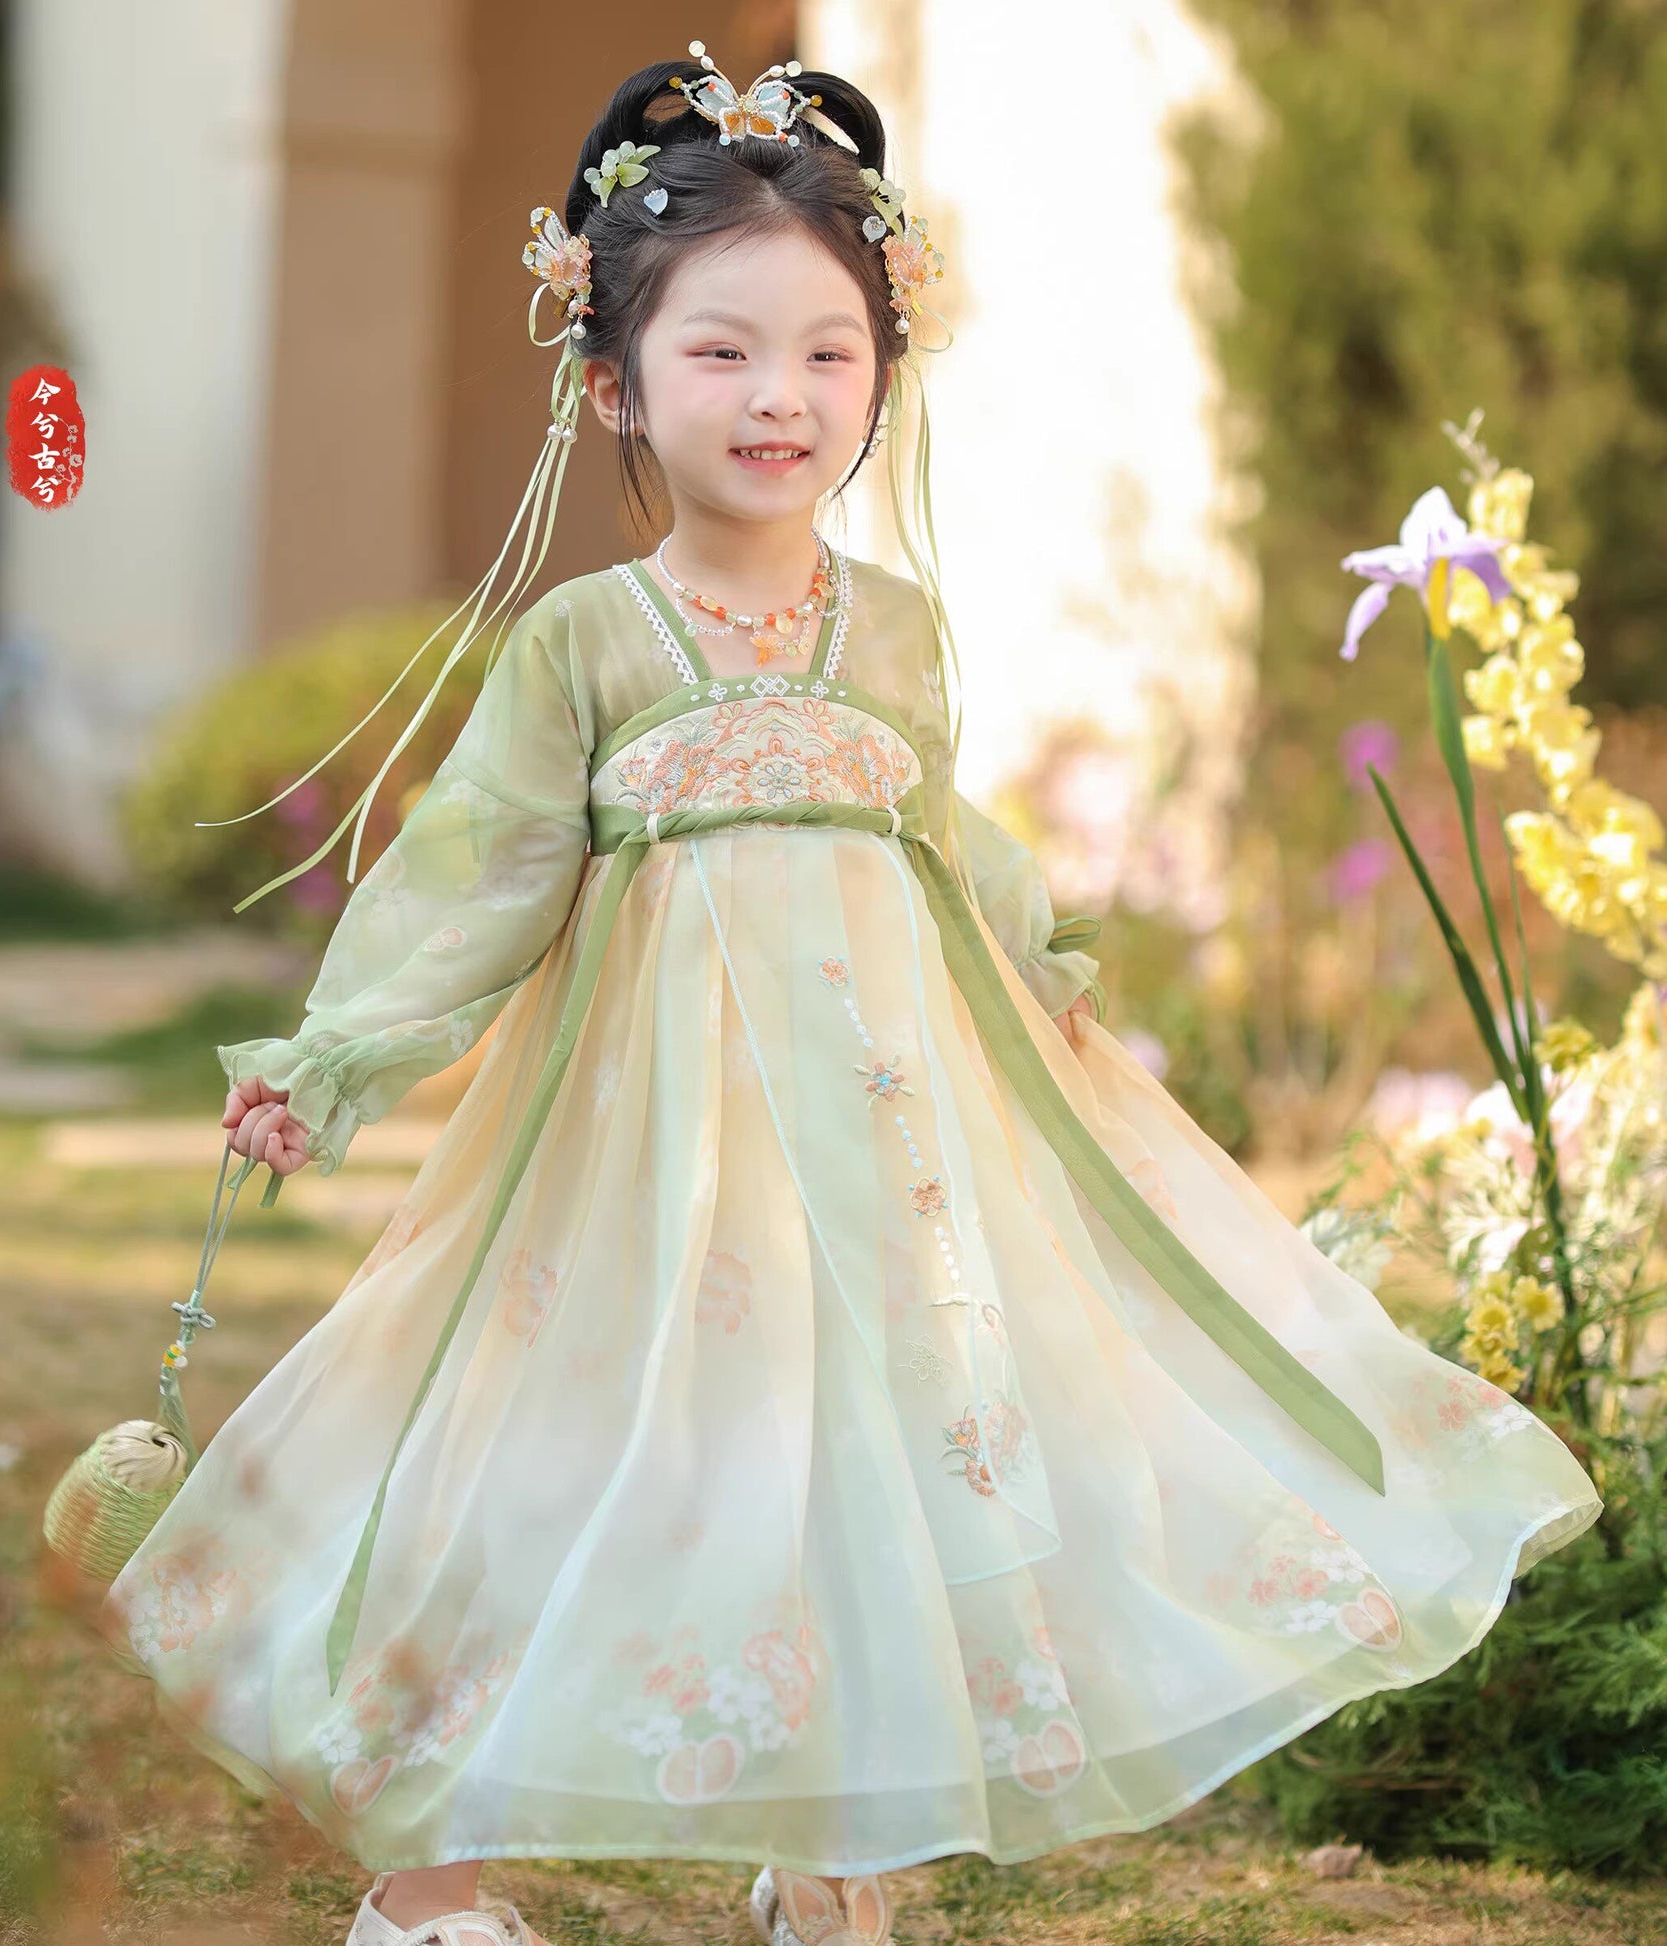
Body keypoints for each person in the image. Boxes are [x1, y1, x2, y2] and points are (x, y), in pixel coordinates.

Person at [98, 44, 1602, 1946]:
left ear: (882, 370)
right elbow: (476, 870)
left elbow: (939, 834)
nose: (778, 395)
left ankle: (837, 1856)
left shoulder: (893, 628)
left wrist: (1042, 979)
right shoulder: (589, 640)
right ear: (610, 377)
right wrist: (335, 1059)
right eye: (718, 351)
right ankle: (432, 1882)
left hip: (881, 1141)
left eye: (825, 348)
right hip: (639, 1151)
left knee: (873, 1466)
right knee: (539, 1458)